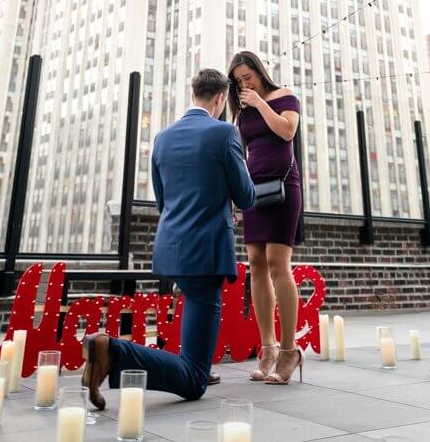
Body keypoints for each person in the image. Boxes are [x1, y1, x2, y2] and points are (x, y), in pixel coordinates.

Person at [82, 67, 256, 408]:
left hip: (172, 249)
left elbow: (163, 201)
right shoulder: (224, 134)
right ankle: (111, 350)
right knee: (194, 379)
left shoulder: (162, 137)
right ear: (220, 98)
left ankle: (117, 353)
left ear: (194, 95)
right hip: (206, 253)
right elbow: (247, 196)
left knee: (195, 354)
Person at [228, 50, 303, 386]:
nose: (244, 83)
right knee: (255, 262)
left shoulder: (284, 96)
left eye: (248, 76)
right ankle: (268, 347)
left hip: (285, 186)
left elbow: (286, 132)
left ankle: (290, 350)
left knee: (277, 262)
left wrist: (260, 103)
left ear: (259, 71)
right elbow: (241, 153)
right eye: (239, 80)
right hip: (254, 189)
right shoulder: (240, 112)